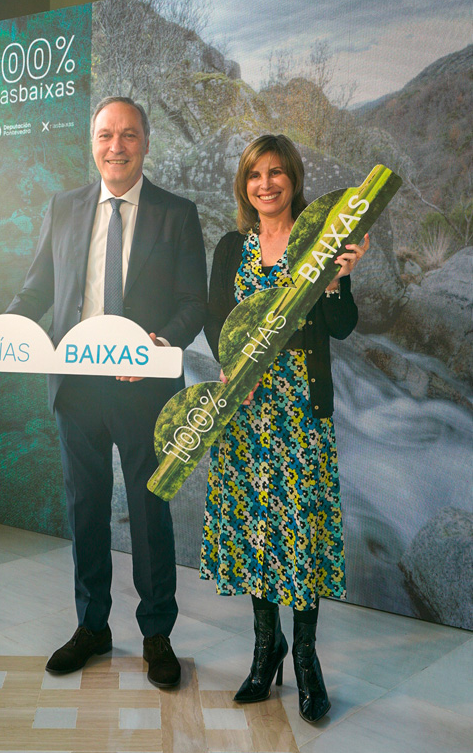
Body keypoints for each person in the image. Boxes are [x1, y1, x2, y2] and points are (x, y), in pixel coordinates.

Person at [6, 96, 207, 687]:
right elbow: (37, 288)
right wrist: (0, 332)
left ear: (145, 142)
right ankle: (92, 627)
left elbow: (193, 302)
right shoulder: (64, 207)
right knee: (86, 507)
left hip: (143, 388)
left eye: (128, 135)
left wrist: (159, 342)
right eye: (105, 135)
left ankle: (157, 634)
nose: (116, 147)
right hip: (76, 388)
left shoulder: (176, 213)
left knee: (149, 511)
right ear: (92, 143)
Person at [200, 134, 368, 721]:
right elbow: (214, 320)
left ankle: (306, 658)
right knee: (256, 529)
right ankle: (265, 648)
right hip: (248, 410)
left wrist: (337, 279)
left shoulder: (322, 245)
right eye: (254, 174)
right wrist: (231, 365)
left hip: (300, 410)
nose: (265, 184)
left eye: (275, 173)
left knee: (301, 531)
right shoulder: (231, 247)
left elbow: (341, 326)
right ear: (244, 185)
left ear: (293, 179)